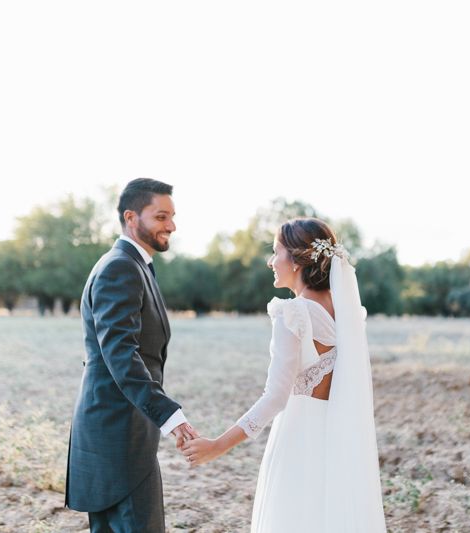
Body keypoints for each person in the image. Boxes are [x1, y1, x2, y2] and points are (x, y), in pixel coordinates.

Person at [181, 217, 386, 532]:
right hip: (337, 439)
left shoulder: (293, 312)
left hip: (298, 440)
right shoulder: (348, 314)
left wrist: (218, 445)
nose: (271, 261)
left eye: (276, 252)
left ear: (298, 259)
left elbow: (275, 397)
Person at [66, 178, 198, 533]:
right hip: (116, 436)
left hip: (126, 432)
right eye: (160, 216)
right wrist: (170, 416)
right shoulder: (119, 268)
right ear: (130, 216)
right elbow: (121, 355)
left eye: (172, 216)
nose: (171, 225)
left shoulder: (135, 266)